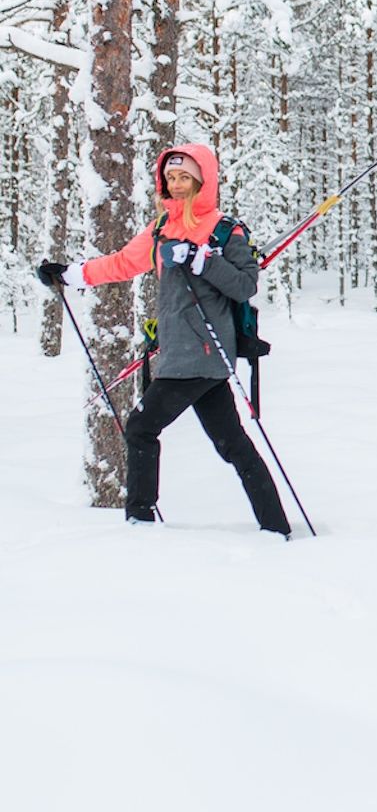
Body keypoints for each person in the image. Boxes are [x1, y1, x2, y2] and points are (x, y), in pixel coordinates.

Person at [37, 143, 290, 536]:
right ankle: (276, 527)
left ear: (202, 181)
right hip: (182, 354)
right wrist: (70, 275)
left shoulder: (226, 230)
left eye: (184, 177)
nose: (176, 185)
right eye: (170, 177)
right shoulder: (161, 229)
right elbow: (122, 263)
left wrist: (203, 260)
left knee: (140, 427)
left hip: (202, 352)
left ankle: (139, 522)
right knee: (233, 446)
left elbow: (244, 285)